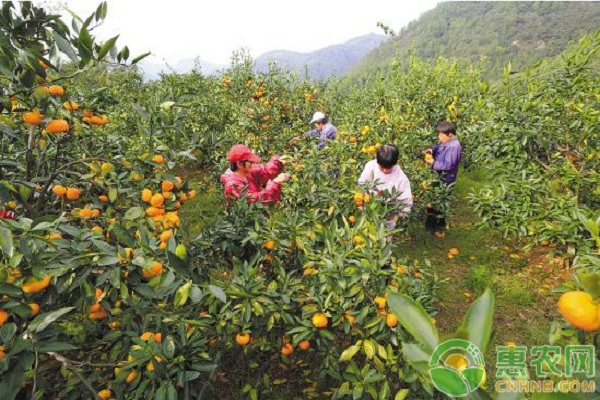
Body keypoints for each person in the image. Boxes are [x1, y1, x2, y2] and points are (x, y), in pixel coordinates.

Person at [358, 144, 413, 235]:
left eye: (388, 168)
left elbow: (406, 201)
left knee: (384, 239)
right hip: (368, 210)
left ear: (395, 163)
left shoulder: (401, 178)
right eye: (382, 167)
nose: (384, 170)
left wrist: (396, 216)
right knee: (366, 235)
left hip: (387, 216)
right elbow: (361, 184)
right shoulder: (370, 167)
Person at [424, 121, 462, 237]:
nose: (439, 137)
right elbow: (438, 148)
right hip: (438, 177)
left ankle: (438, 228)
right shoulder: (446, 142)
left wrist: (433, 162)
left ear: (450, 134)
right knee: (432, 202)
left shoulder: (455, 146)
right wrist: (430, 150)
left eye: (441, 135)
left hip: (445, 179)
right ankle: (431, 227)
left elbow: (449, 165)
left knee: (439, 204)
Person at [219, 144, 290, 205]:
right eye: (250, 162)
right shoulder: (232, 185)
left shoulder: (245, 171)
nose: (252, 163)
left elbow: (264, 170)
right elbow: (256, 201)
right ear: (239, 164)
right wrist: (275, 182)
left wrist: (278, 161)